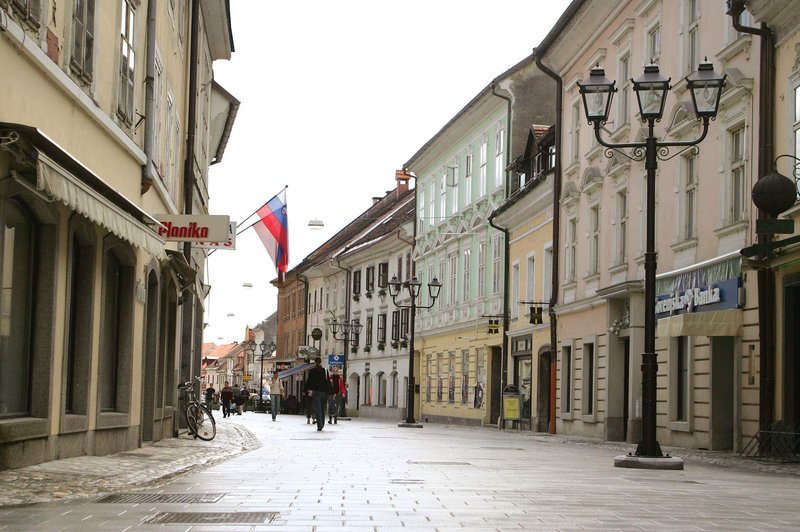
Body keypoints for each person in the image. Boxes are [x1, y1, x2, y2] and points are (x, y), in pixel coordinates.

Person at [304, 356, 332, 431]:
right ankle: (322, 423)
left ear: (315, 362)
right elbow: (328, 381)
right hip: (324, 392)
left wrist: (305, 390)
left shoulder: (312, 371)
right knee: (323, 408)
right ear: (321, 362)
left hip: (316, 392)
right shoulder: (325, 371)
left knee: (318, 408)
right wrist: (330, 392)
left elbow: (309, 382)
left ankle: (320, 425)